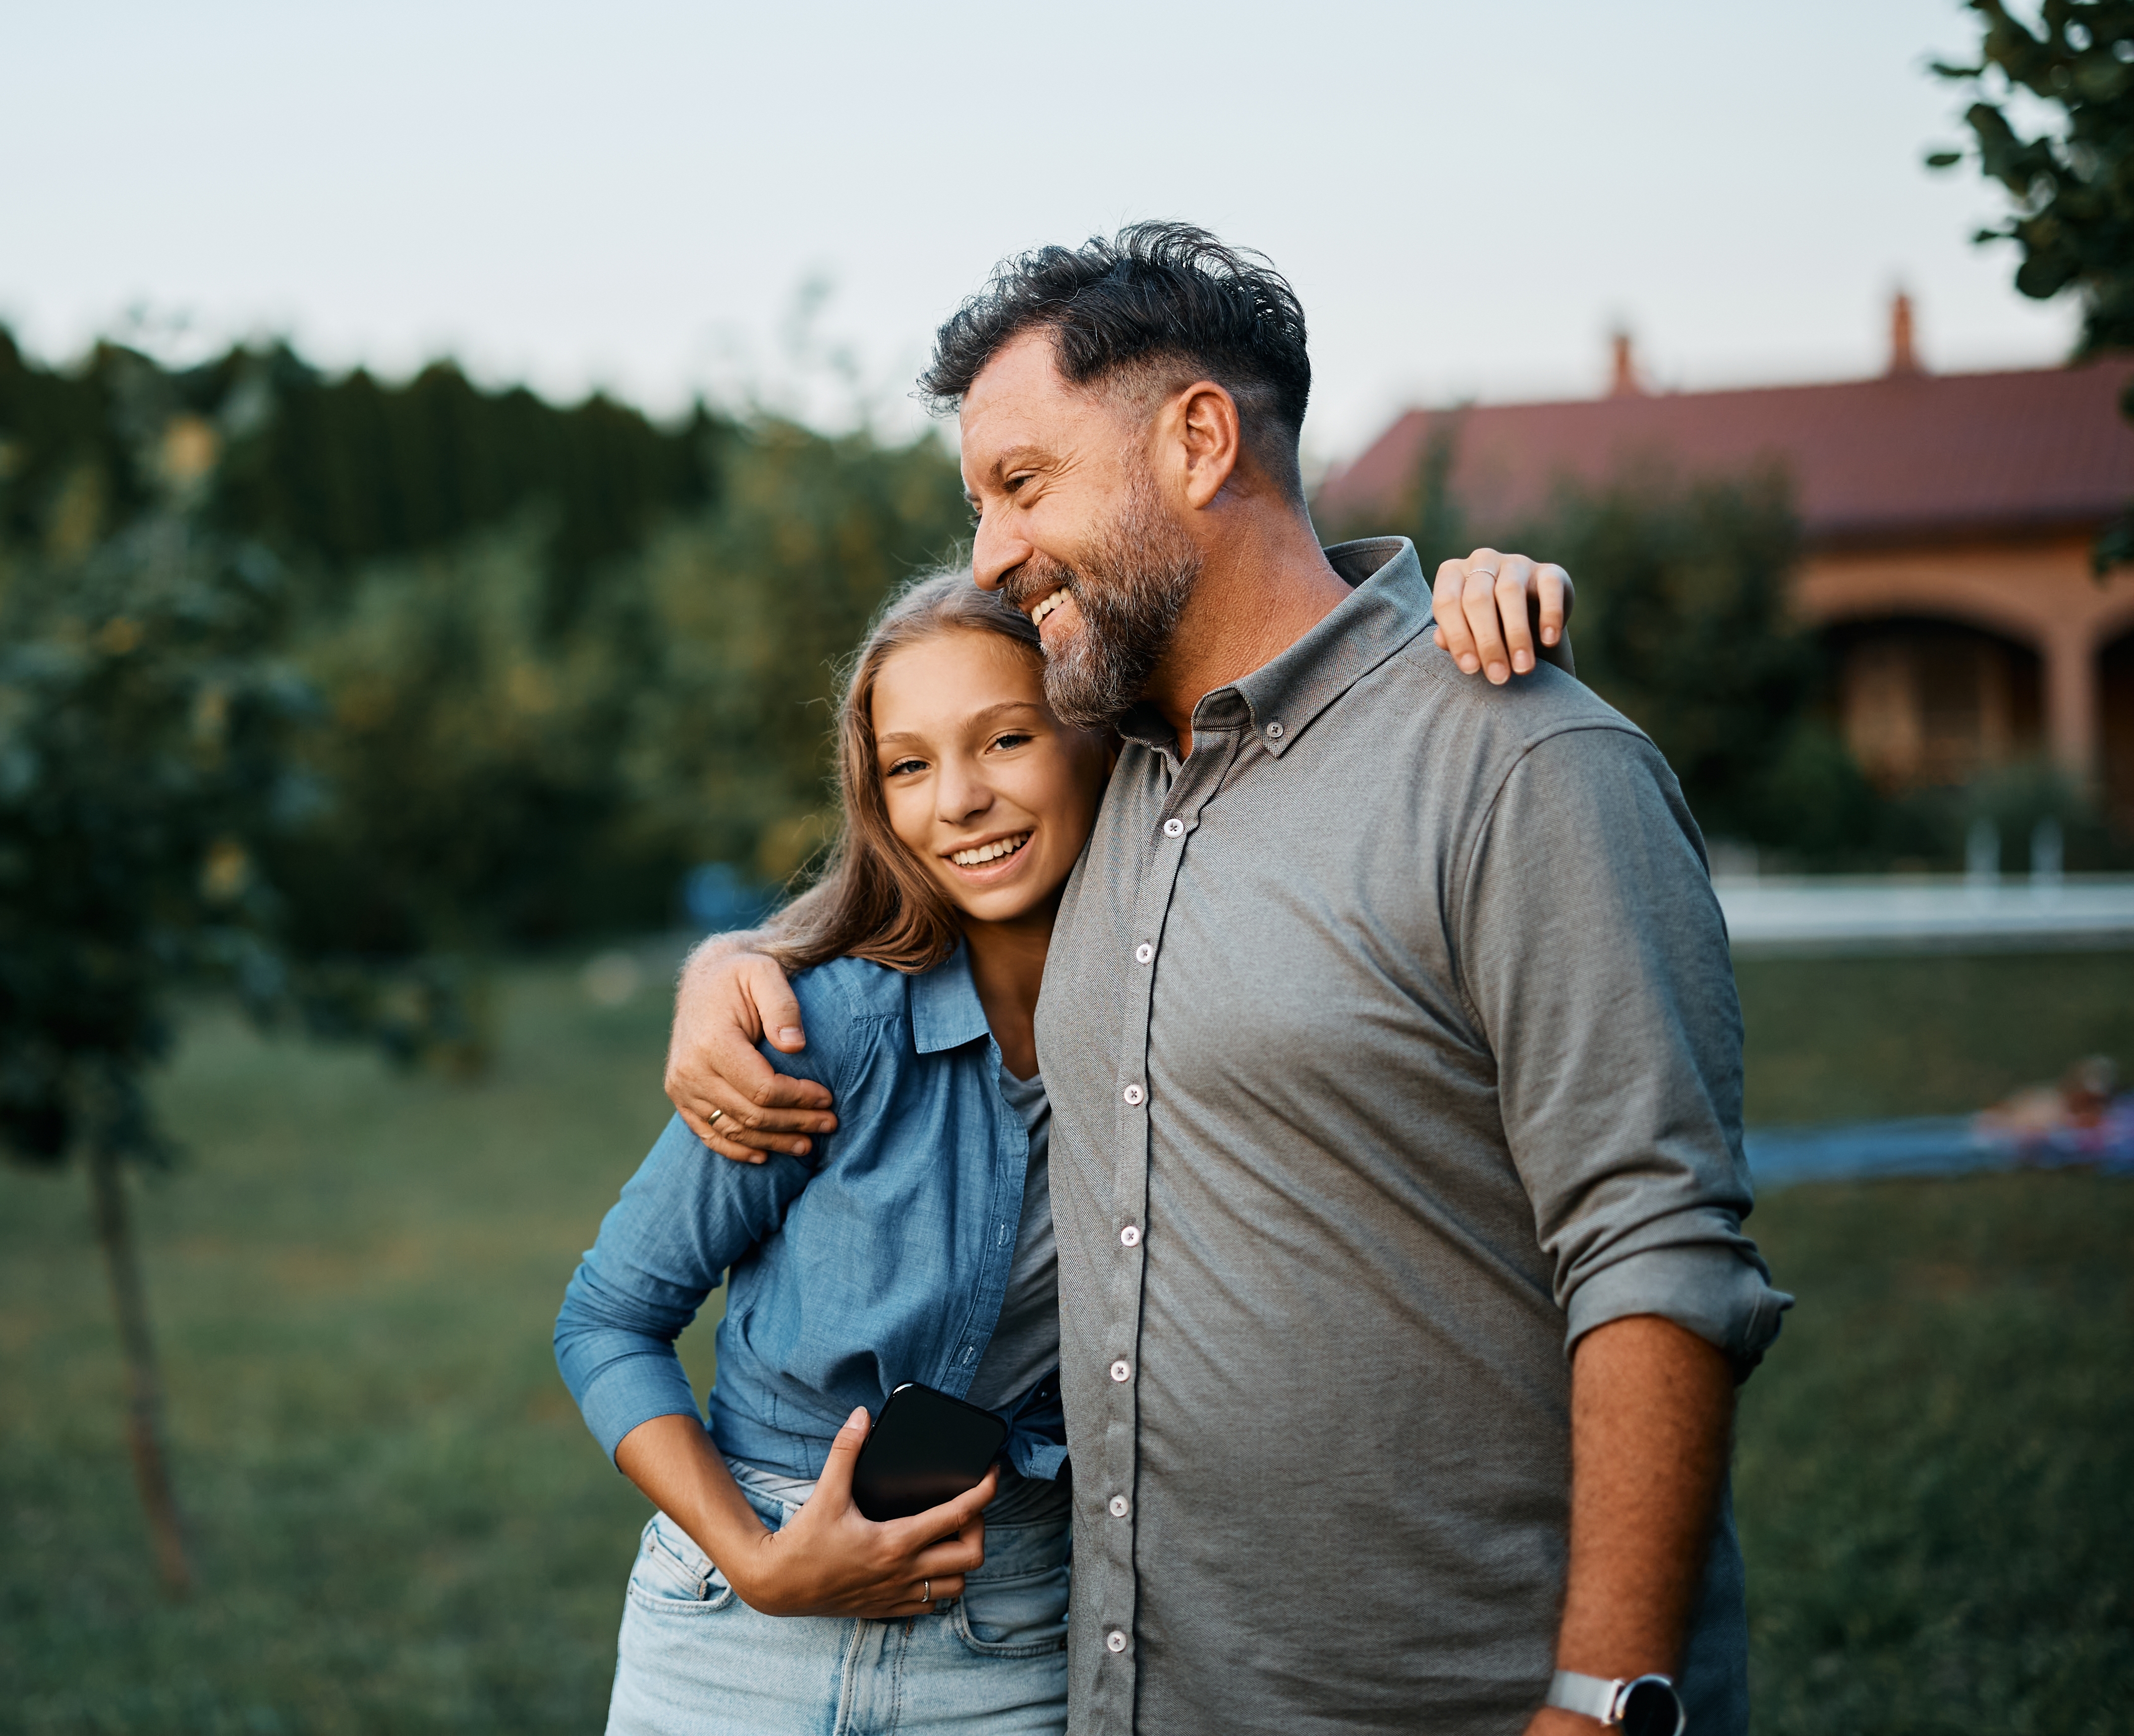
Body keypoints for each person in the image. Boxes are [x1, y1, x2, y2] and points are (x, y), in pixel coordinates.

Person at [666, 222, 1788, 1736]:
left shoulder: (1520, 761)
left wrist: (1602, 1699)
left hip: (1460, 1698)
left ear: (1200, 440)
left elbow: (1661, 1253)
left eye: (1022, 484)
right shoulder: (1116, 772)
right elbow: (919, 859)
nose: (988, 552)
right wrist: (731, 961)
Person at [556, 550, 1569, 1735]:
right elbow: (607, 1316)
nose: (959, 800)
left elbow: (1297, 679)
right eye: (909, 766)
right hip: (738, 1618)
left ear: (1104, 737)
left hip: (1015, 1625)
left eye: (1005, 740)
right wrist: (761, 1559)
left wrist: (1469, 595)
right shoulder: (817, 1029)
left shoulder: (1200, 1019)